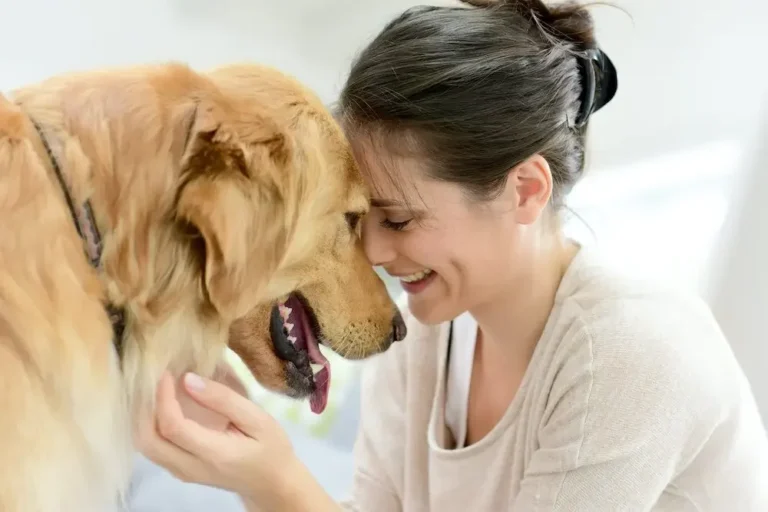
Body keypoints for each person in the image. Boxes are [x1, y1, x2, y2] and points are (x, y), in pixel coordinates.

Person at [138, 0, 768, 510]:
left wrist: (276, 480)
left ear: (524, 190)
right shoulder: (424, 338)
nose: (376, 253)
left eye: (400, 219)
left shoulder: (632, 356)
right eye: (359, 219)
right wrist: (252, 469)